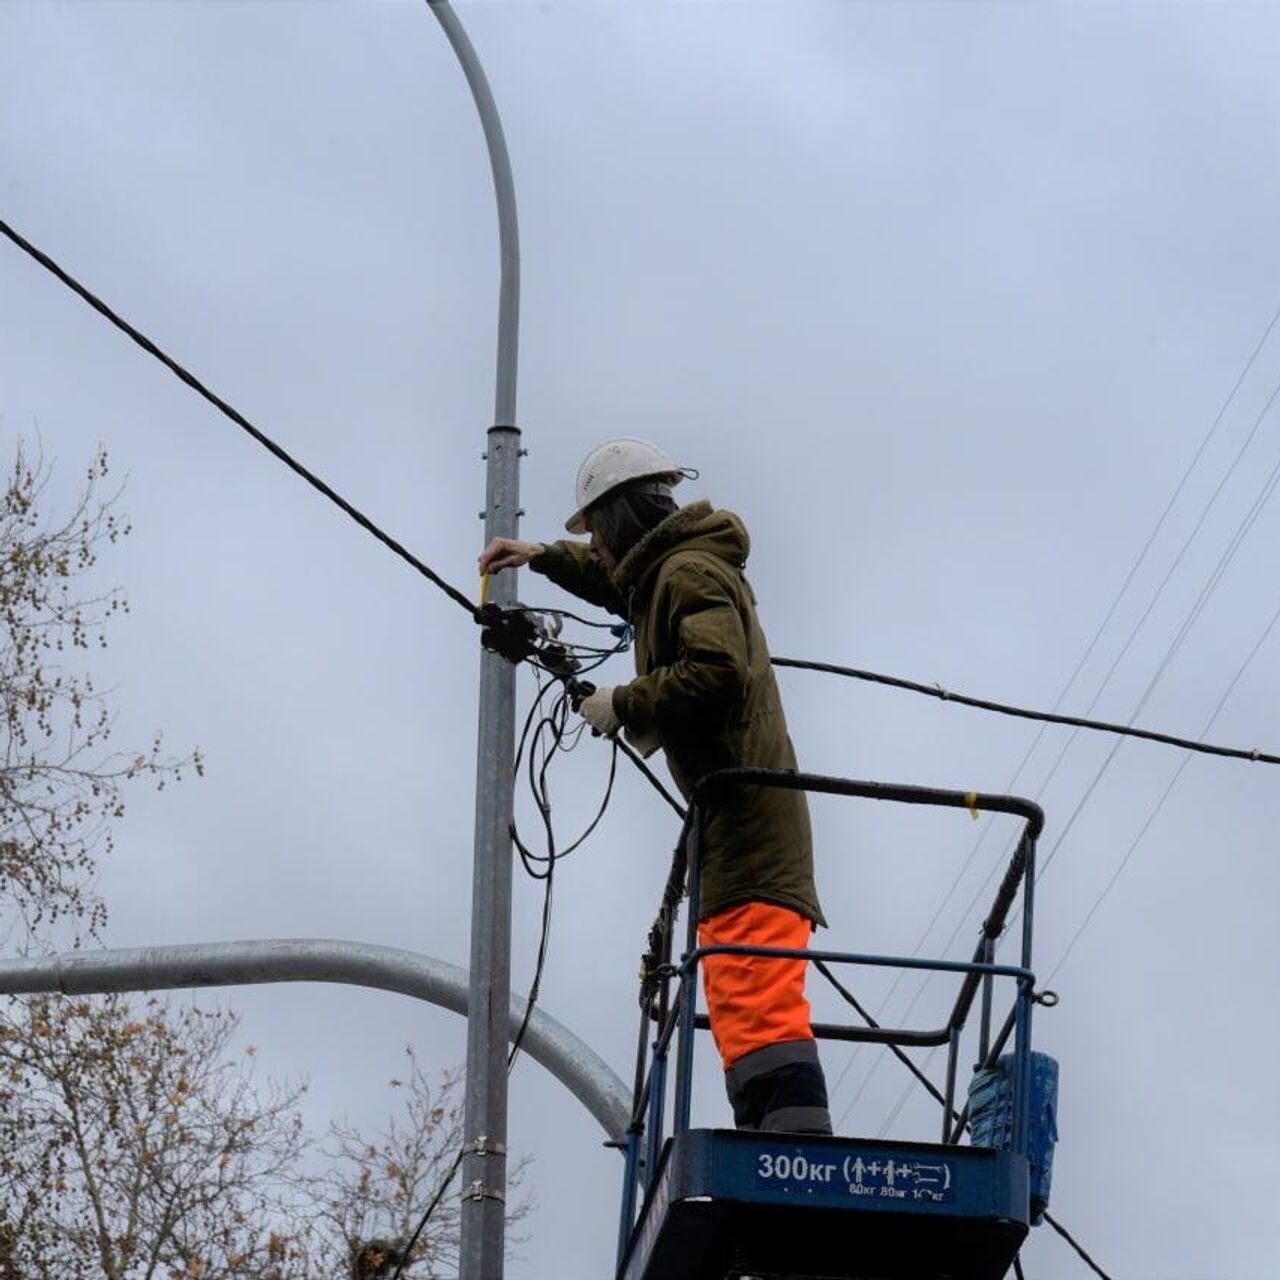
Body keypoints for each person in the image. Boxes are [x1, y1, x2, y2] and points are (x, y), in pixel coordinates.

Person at [478, 437, 831, 1135]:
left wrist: (626, 702)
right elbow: (622, 585)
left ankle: (793, 1161)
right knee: (735, 987)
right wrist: (543, 556)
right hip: (733, 822)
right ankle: (771, 1146)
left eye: (596, 537)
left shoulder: (690, 573)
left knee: (754, 991)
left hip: (750, 822)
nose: (598, 553)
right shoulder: (668, 572)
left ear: (619, 523)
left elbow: (716, 671)